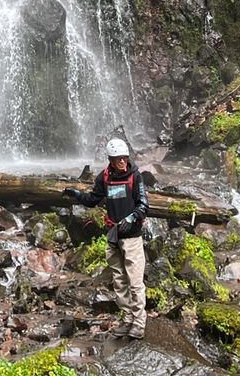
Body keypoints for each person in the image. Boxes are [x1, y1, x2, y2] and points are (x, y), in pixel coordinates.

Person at [64, 137, 148, 339]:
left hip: (132, 237)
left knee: (135, 282)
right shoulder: (104, 177)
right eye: (118, 159)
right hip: (113, 236)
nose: (122, 162)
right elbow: (93, 200)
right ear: (110, 159)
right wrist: (76, 193)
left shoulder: (135, 176)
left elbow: (144, 204)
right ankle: (127, 318)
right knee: (119, 281)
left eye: (124, 158)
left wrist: (132, 217)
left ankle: (139, 322)